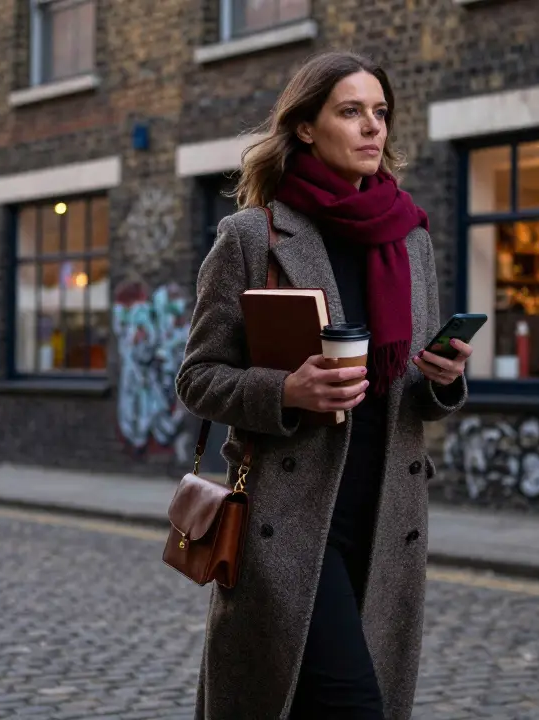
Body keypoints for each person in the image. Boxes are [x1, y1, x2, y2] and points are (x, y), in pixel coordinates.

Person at [175, 50, 471, 720]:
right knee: (351, 704)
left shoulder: (410, 239)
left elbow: (416, 389)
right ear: (306, 127)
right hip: (291, 518)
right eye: (350, 112)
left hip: (387, 515)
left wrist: (446, 379)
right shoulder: (254, 237)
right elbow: (198, 377)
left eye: (380, 113)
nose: (373, 128)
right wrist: (285, 392)